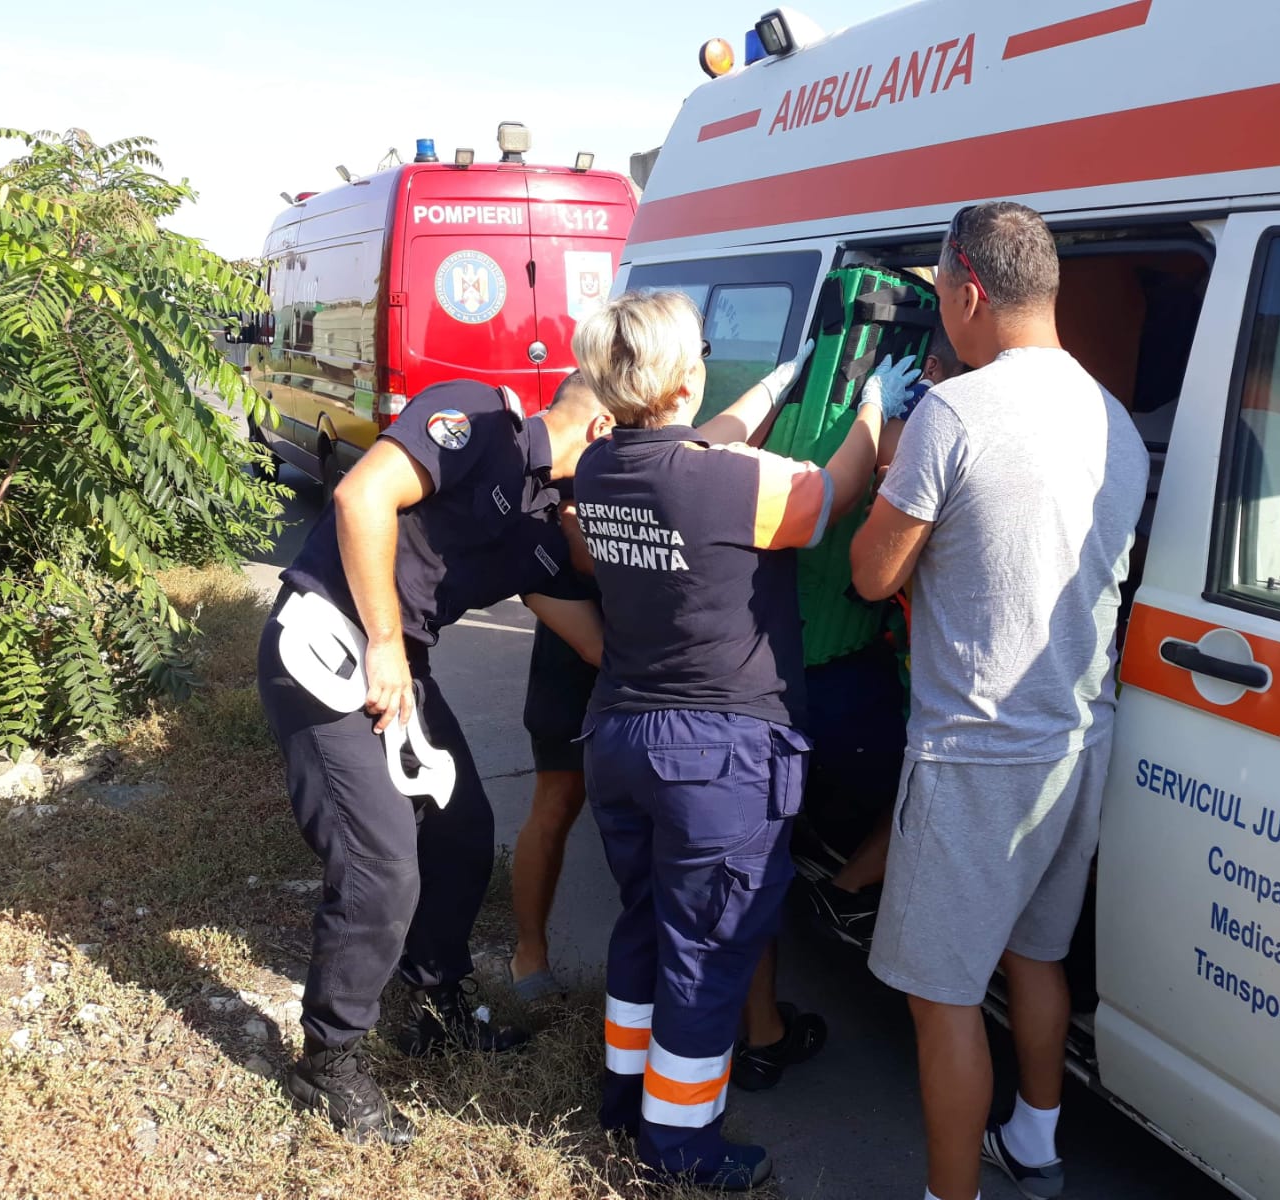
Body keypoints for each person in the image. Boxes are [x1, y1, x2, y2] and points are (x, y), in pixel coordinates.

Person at [571, 291, 915, 1190]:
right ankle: (681, 1148)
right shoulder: (724, 484)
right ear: (687, 378)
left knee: (645, 925)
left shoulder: (603, 466)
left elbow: (701, 443)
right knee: (707, 955)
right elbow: (830, 497)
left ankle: (624, 1098)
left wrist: (777, 385)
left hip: (621, 736)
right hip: (713, 756)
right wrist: (874, 408)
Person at [849, 202, 1149, 1200]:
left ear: (969, 292)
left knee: (941, 1000)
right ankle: (1036, 1141)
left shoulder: (952, 414)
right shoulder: (1113, 419)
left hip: (976, 753)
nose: (941, 308)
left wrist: (888, 460)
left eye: (940, 292)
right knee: (1035, 956)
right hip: (1079, 739)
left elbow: (871, 576)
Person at [257, 377, 612, 1145]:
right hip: (328, 643)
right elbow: (360, 497)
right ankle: (328, 1061)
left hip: (397, 665)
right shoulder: (478, 419)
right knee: (380, 863)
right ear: (603, 427)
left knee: (461, 831)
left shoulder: (544, 522)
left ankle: (430, 1006)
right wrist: (386, 643)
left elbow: (593, 643)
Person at [800, 321, 970, 950]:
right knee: (922, 777)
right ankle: (849, 893)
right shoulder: (924, 429)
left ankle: (848, 889)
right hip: (917, 638)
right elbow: (870, 575)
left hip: (918, 637)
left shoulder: (929, 430)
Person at [509, 376, 602, 1001]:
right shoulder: (550, 482)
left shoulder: (646, 453)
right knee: (558, 802)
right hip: (573, 656)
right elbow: (569, 563)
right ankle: (528, 954)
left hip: (636, 656)